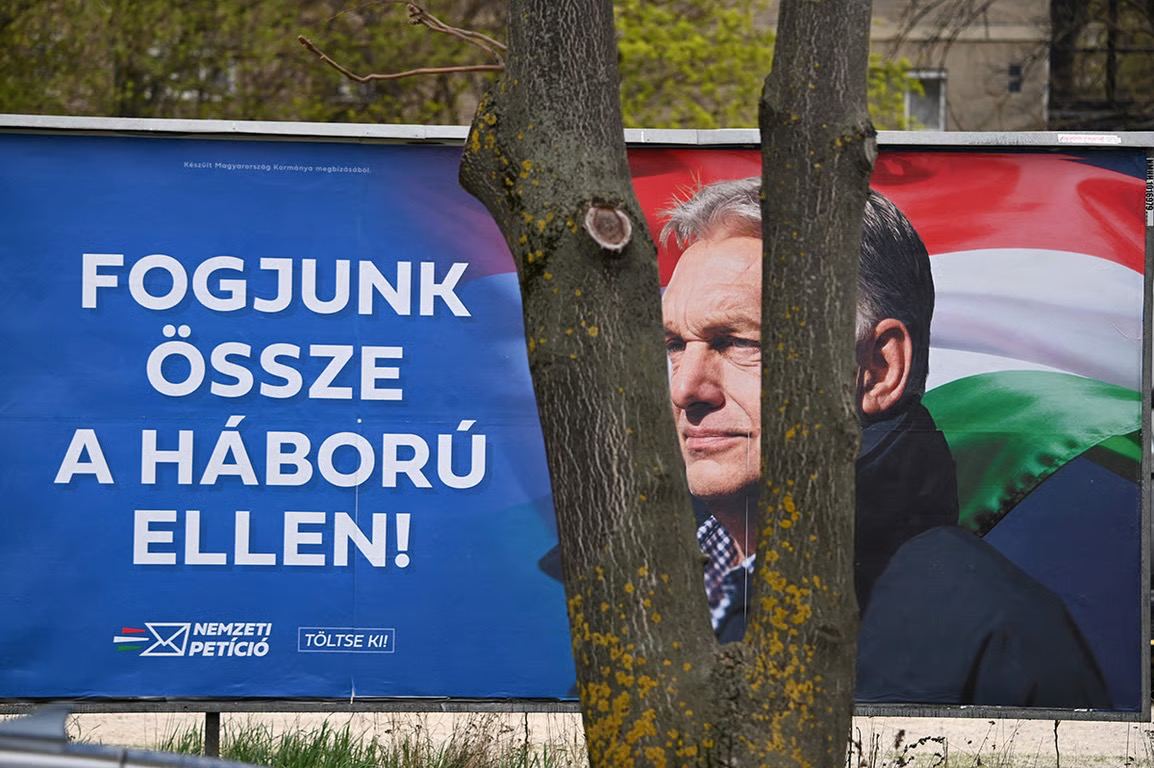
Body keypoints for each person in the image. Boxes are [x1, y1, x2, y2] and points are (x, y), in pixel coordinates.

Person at [660, 177, 1111, 708]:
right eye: (673, 344)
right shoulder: (643, 585)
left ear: (877, 369)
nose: (686, 387)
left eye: (736, 341)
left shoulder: (1003, 634)